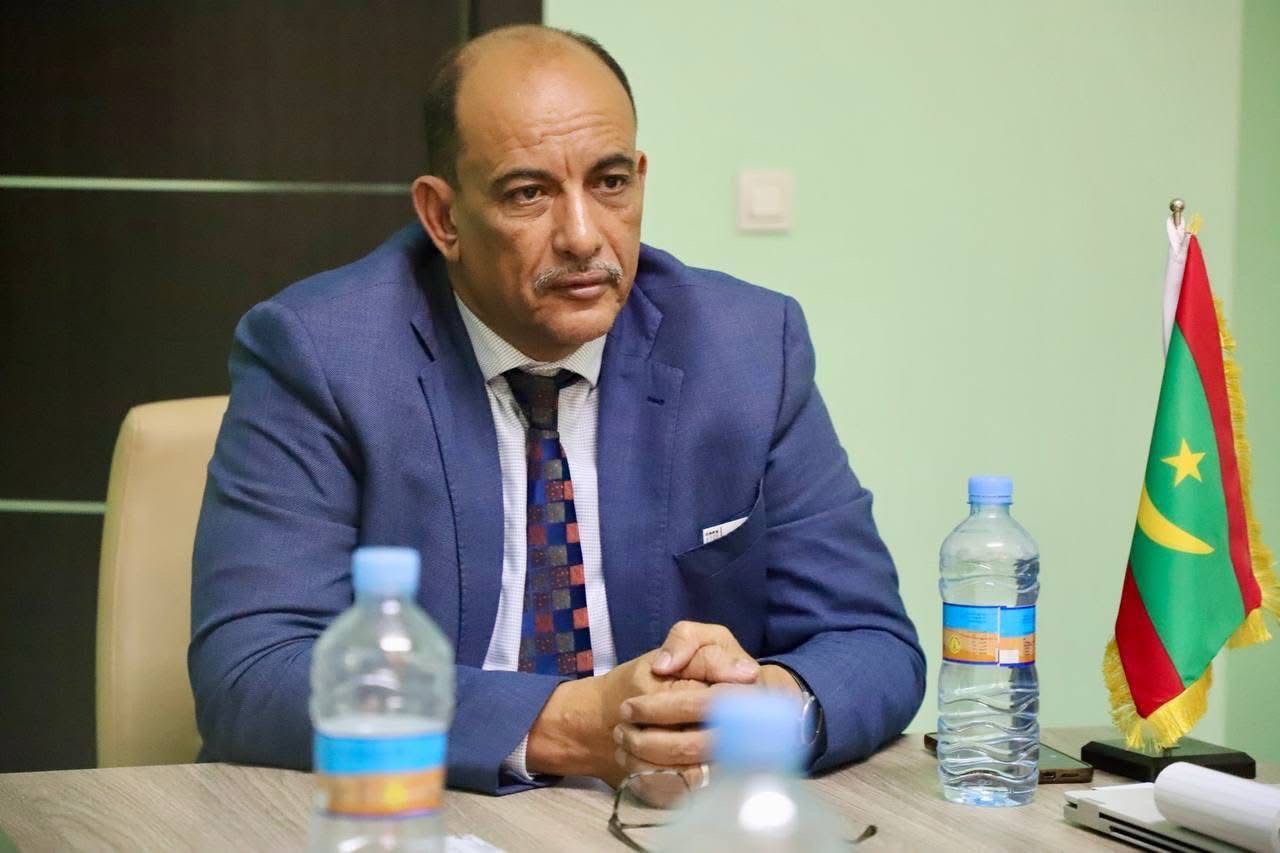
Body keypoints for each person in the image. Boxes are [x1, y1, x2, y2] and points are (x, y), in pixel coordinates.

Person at [189, 24, 924, 796]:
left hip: (662, 818)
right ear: (443, 218)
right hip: (413, 812)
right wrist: (569, 723)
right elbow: (254, 669)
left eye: (610, 183)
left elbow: (869, 639)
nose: (581, 236)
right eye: (528, 193)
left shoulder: (746, 349)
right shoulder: (323, 353)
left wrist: (761, 705)